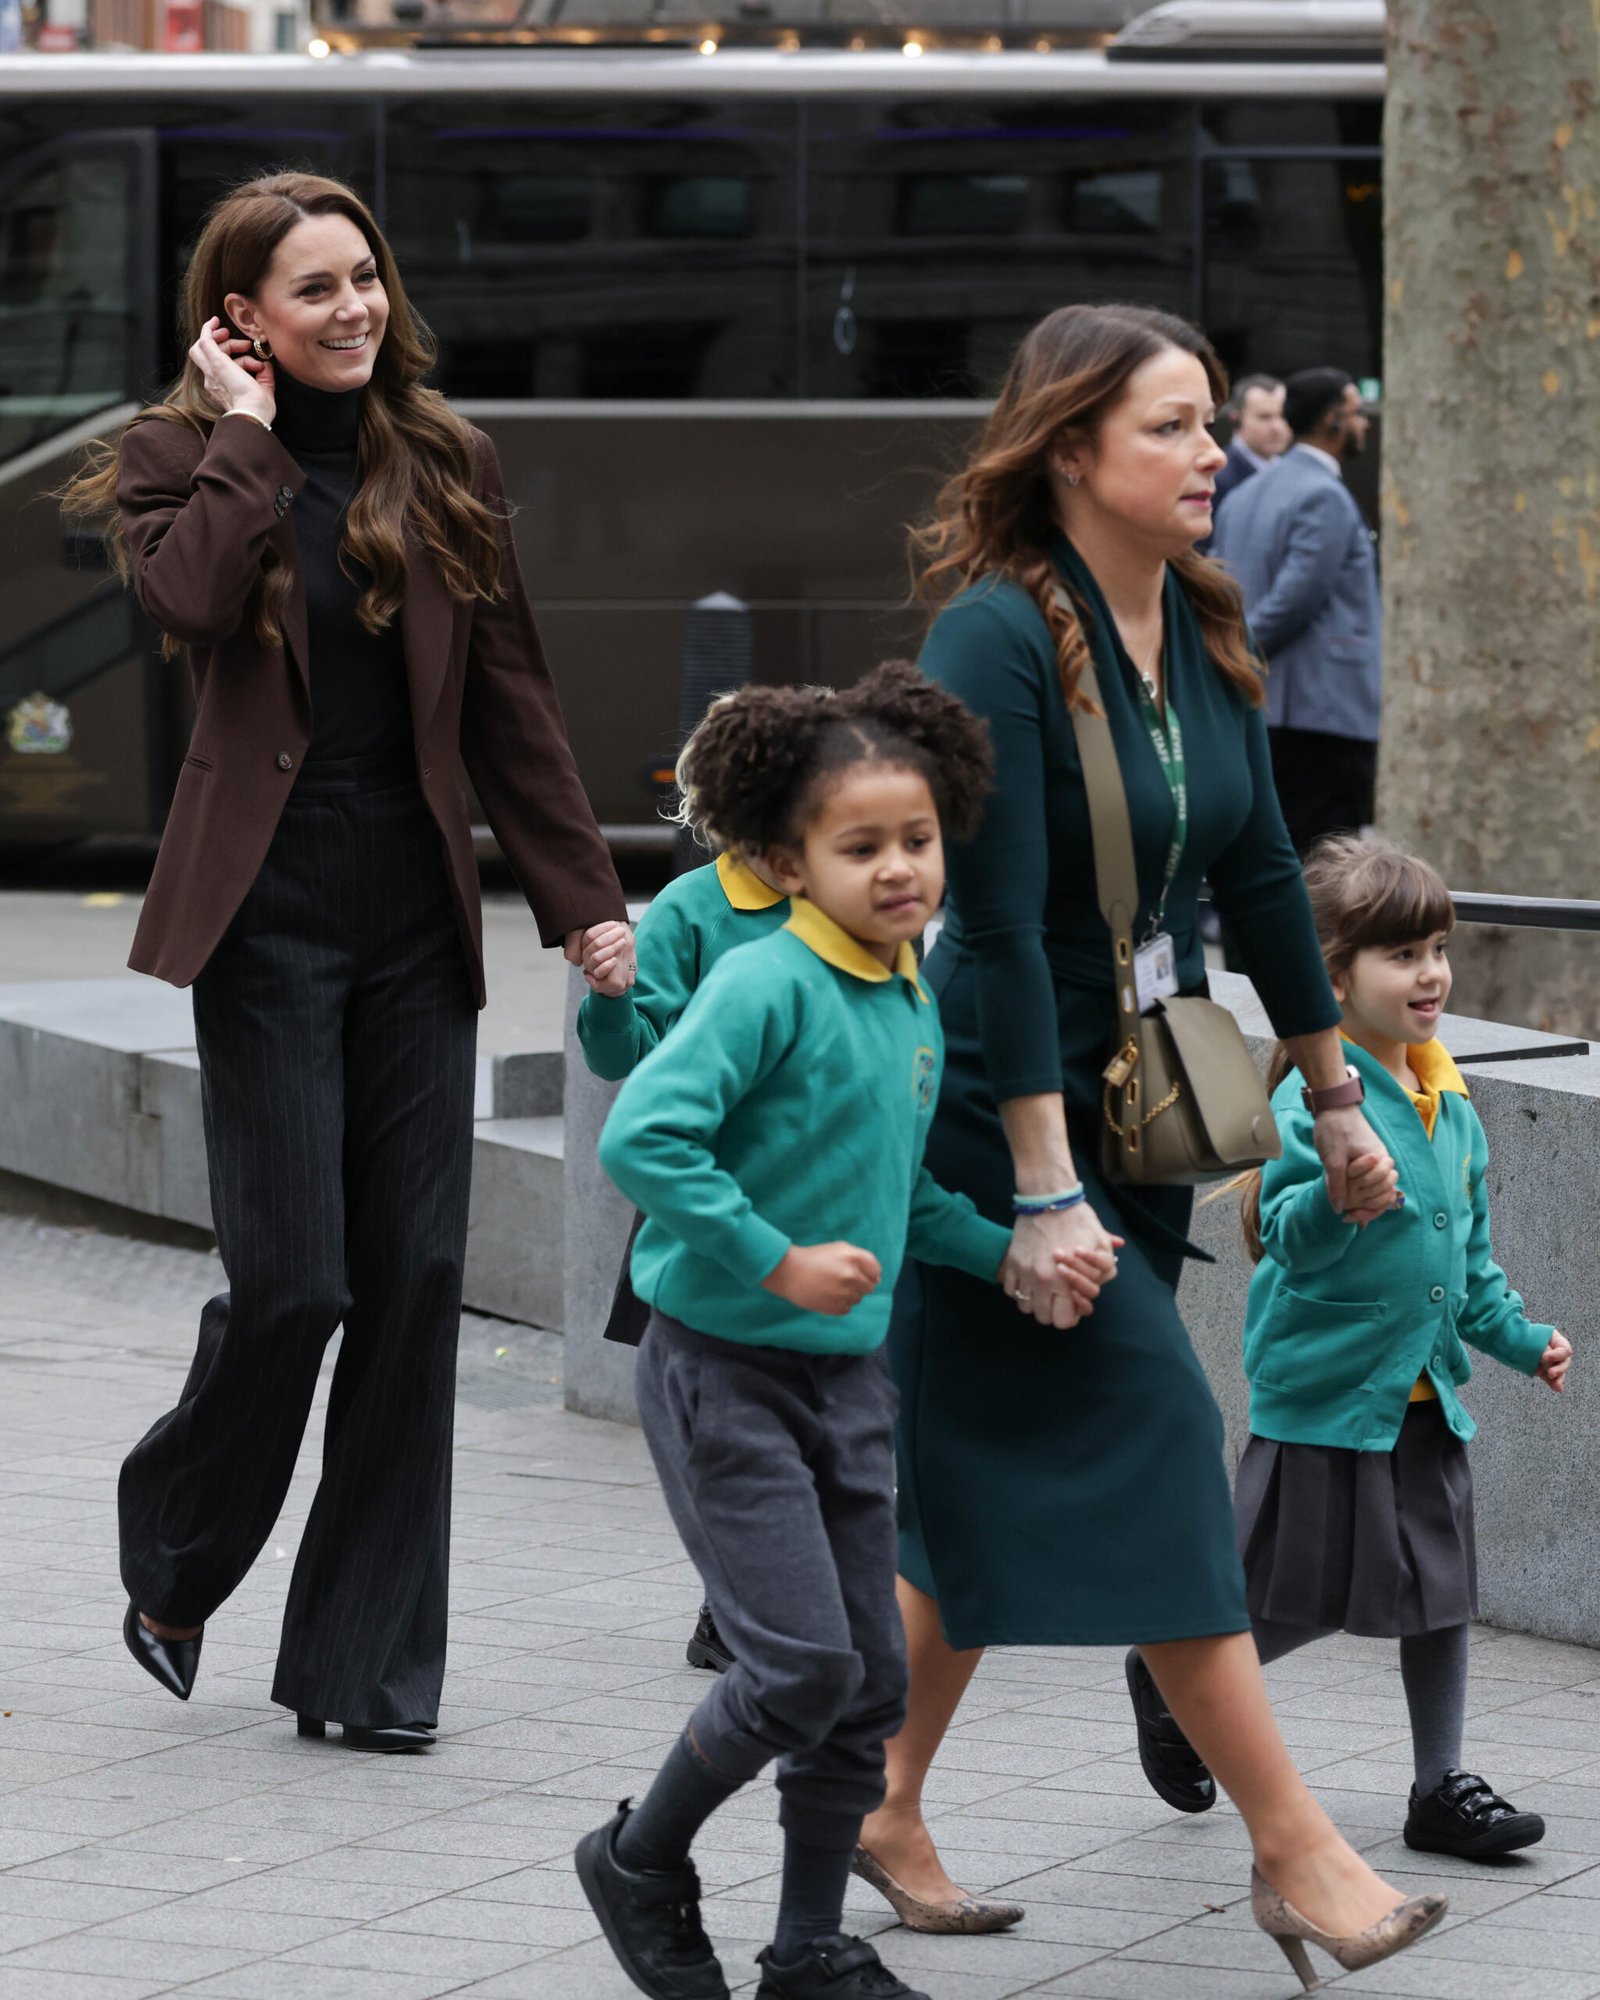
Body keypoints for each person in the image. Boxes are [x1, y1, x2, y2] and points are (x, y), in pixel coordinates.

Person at [858, 304, 1447, 1993]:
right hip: (994, 1125)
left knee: (968, 1487)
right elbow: (993, 932)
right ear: (1069, 453)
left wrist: (1337, 1099)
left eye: (1212, 425)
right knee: (1168, 1434)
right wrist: (1039, 1190)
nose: (1218, 455)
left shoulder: (1191, 618)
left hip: (1133, 1107)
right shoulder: (992, 641)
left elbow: (1262, 873)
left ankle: (881, 1805)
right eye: (1179, 430)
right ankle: (1296, 1851)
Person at [62, 171, 625, 1746]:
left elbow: (514, 697)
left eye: (365, 278)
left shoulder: (448, 459)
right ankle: (177, 1550)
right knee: (299, 1281)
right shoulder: (177, 458)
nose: (357, 308)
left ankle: (365, 1666)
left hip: (412, 914)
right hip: (268, 914)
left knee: (419, 1281)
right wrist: (244, 436)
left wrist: (586, 901)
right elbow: (183, 602)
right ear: (241, 316)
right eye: (315, 289)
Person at [576, 663, 1072, 2000]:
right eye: (863, 848)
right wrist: (774, 1260)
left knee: (861, 1689)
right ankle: (639, 1853)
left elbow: (902, 1189)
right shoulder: (766, 986)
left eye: (918, 841)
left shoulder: (903, 994)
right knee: (795, 1665)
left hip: (847, 1382)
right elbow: (644, 1133)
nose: (901, 869)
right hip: (723, 1372)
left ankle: (805, 1951)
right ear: (790, 861)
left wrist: (1011, 1252)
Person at [1143, 836, 1571, 1864]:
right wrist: (1339, 1197)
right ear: (1332, 977)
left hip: (1422, 1395)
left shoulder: (1449, 1100)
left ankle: (1439, 1785)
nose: (1430, 974)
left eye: (1436, 948)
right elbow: (1280, 1236)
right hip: (1328, 1398)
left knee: (1442, 1592)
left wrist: (1521, 1338)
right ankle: (1170, 1679)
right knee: (1305, 1599)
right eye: (1400, 955)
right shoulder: (1310, 1101)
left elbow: (1467, 1262)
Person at [576, 690, 801, 1679]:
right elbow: (627, 1048)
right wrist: (613, 995)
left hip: (833, 1191)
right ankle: (733, 1599)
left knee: (818, 1406)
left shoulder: (853, 894)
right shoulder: (694, 910)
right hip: (721, 1204)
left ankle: (784, 1589)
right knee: (734, 1411)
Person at [1209, 367, 1381, 854]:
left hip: (1265, 707)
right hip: (1322, 712)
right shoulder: (1324, 494)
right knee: (1321, 868)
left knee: (1265, 857)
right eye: (1356, 413)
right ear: (1331, 421)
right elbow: (1293, 599)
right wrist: (1237, 647)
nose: (1363, 424)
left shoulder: (1241, 496)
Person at [1208, 373, 1288, 518]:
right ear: (1236, 418)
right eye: (1264, 417)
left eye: (1283, 416)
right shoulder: (1217, 478)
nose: (1277, 427)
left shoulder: (1290, 472)